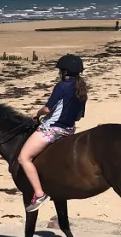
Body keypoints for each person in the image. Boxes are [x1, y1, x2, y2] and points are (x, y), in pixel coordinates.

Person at [18, 54, 88, 212]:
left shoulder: (62, 86)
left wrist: (37, 113)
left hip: (52, 129)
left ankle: (39, 193)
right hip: (69, 130)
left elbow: (48, 108)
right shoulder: (81, 89)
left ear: (64, 71)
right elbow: (78, 116)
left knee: (24, 158)